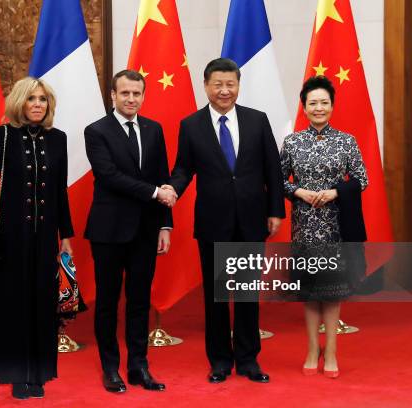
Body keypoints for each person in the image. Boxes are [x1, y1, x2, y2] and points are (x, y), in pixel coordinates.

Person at [165, 58, 285, 384]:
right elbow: (183, 169)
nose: (224, 90)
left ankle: (248, 360)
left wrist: (275, 210)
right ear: (206, 85)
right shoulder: (191, 125)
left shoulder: (257, 121)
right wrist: (171, 190)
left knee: (246, 292)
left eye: (230, 84)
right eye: (218, 84)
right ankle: (219, 360)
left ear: (238, 85)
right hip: (213, 220)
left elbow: (273, 170)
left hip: (250, 218)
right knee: (217, 295)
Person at [0, 77, 73, 399]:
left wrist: (66, 236)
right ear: (19, 102)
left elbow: (60, 191)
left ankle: (39, 373)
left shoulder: (59, 139)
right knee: (14, 302)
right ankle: (16, 374)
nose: (37, 105)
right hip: (13, 236)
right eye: (31, 99)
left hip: (45, 237)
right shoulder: (2, 137)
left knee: (44, 304)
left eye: (42, 99)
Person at [84, 70, 175, 393]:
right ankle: (111, 368)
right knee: (108, 302)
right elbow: (109, 176)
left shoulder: (153, 129)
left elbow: (163, 176)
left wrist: (166, 223)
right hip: (108, 231)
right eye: (125, 93)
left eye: (137, 94)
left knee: (139, 301)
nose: (131, 99)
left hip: (147, 230)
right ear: (112, 95)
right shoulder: (96, 131)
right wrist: (154, 193)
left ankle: (138, 366)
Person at [280, 75, 368, 379]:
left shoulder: (347, 141)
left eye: (324, 102)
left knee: (332, 292)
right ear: (304, 107)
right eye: (312, 103)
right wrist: (298, 191)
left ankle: (331, 350)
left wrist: (335, 192)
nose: (319, 107)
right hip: (304, 225)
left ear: (332, 105)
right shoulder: (292, 142)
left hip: (335, 226)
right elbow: (277, 180)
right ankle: (311, 349)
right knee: (310, 292)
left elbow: (362, 179)